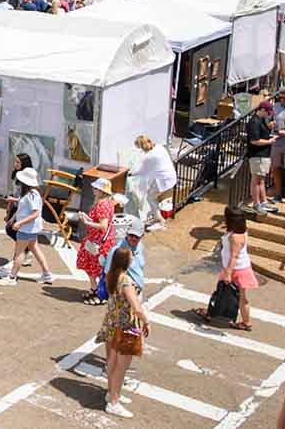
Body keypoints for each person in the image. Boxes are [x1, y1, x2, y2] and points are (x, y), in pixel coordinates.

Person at [98, 246, 150, 418]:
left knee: (112, 363)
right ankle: (114, 402)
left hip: (112, 323)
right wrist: (146, 322)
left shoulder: (111, 276)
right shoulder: (126, 281)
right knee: (121, 367)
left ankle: (112, 393)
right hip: (126, 327)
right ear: (126, 261)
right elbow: (137, 308)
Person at [195, 206, 260, 329]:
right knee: (241, 297)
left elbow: (234, 256)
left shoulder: (234, 237)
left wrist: (228, 273)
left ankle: (210, 314)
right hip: (243, 268)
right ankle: (246, 322)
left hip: (234, 269)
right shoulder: (242, 231)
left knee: (220, 293)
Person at [0, 167, 54, 286]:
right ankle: (47, 274)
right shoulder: (32, 193)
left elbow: (35, 213)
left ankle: (12, 277)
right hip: (32, 229)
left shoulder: (30, 195)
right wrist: (13, 218)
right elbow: (24, 205)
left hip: (27, 229)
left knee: (19, 253)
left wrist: (19, 223)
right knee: (35, 249)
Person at [77, 178, 125, 305]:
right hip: (101, 241)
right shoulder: (108, 203)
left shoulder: (101, 205)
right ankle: (96, 290)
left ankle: (99, 293)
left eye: (96, 188)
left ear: (101, 191)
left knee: (94, 267)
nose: (93, 190)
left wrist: (87, 222)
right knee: (96, 268)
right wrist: (88, 219)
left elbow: (103, 226)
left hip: (97, 242)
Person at [130, 134, 177, 230]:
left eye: (139, 148)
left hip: (164, 179)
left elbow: (141, 171)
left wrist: (130, 173)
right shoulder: (160, 148)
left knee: (150, 197)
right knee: (153, 196)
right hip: (171, 176)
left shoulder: (149, 157)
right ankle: (156, 217)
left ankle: (160, 221)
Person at [246, 100, 277, 215]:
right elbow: (255, 141)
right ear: (262, 110)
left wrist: (269, 128)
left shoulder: (261, 120)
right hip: (257, 155)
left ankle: (263, 201)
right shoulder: (254, 121)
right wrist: (269, 141)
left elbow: (262, 134)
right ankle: (256, 203)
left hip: (263, 155)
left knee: (261, 180)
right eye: (268, 112)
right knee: (256, 180)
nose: (269, 115)